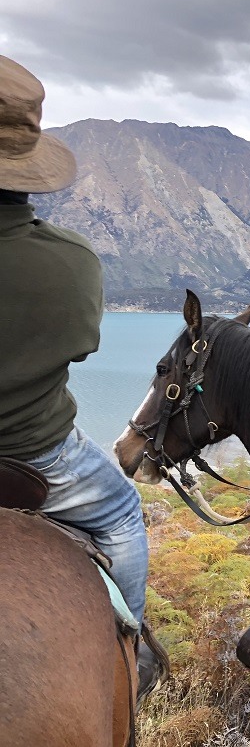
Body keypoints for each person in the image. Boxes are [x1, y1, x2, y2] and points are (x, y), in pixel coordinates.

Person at [0, 55, 162, 697]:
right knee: (123, 510)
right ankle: (132, 650)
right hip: (38, 455)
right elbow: (82, 345)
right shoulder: (70, 261)